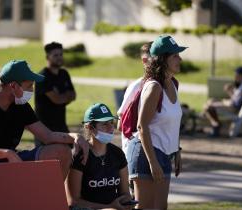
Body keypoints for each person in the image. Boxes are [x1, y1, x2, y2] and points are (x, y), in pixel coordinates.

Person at [0, 60, 88, 179]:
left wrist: (76, 137)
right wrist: (6, 153)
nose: (32, 90)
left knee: (62, 151)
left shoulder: (21, 106)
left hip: (10, 159)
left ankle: (49, 202)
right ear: (13, 86)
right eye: (29, 86)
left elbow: (48, 136)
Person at [126, 35, 185, 210]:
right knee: (146, 208)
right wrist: (153, 162)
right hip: (146, 154)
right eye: (175, 55)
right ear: (163, 59)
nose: (180, 58)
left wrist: (177, 150)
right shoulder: (154, 87)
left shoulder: (173, 84)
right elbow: (142, 126)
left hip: (164, 154)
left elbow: (171, 123)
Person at [66, 103, 134, 210]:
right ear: (90, 127)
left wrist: (126, 202)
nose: (111, 127)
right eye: (105, 124)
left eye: (111, 122)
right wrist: (108, 207)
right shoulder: (79, 155)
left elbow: (125, 193)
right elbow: (74, 201)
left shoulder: (117, 154)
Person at [35, 42, 76, 146]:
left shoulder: (64, 74)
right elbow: (56, 99)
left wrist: (61, 96)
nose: (59, 58)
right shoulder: (42, 77)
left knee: (70, 155)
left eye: (61, 54)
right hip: (44, 128)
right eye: (55, 55)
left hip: (61, 125)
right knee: (47, 160)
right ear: (47, 57)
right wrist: (64, 96)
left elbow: (73, 95)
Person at [117, 42, 152, 154]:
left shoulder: (168, 86)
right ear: (145, 61)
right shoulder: (136, 87)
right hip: (135, 150)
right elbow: (120, 124)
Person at [204, 66, 242, 137]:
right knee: (210, 101)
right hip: (232, 104)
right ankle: (215, 124)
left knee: (209, 107)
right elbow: (236, 97)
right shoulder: (241, 84)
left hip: (233, 107)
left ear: (241, 75)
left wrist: (241, 92)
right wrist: (230, 91)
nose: (235, 76)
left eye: (236, 75)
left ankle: (216, 126)